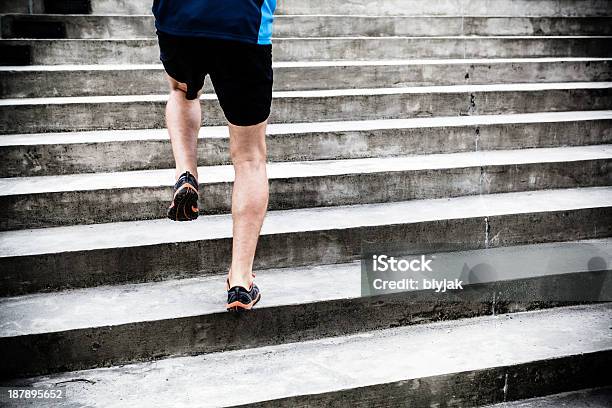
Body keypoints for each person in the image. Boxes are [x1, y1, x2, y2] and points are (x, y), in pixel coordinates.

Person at [152, 0, 276, 311]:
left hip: (178, 18)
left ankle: (186, 172)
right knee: (250, 158)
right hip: (242, 23)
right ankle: (240, 280)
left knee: (182, 90)